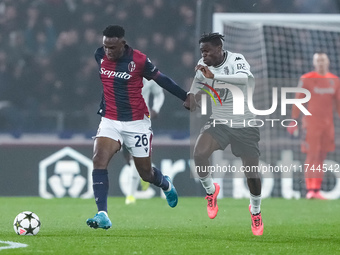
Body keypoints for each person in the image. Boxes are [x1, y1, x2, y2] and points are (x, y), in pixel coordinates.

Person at [86, 25, 192, 230]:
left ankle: (165, 183)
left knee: (145, 173)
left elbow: (162, 80)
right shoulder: (99, 55)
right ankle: (102, 214)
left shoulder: (139, 60)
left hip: (137, 123)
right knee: (99, 160)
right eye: (105, 46)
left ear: (123, 44)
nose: (108, 51)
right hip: (110, 120)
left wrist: (185, 96)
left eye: (113, 47)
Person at [183, 32, 264, 236]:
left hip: (245, 123)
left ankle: (255, 211)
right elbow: (195, 91)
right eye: (202, 51)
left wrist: (214, 77)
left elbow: (243, 80)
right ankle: (211, 191)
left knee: (252, 175)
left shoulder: (237, 59)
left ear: (219, 49)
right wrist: (191, 99)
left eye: (207, 51)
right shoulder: (203, 67)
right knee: (199, 154)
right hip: (220, 122)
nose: (204, 55)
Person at [288, 52, 340, 200]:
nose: (321, 63)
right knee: (312, 156)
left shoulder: (335, 81)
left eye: (323, 60)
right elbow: (298, 100)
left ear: (328, 62)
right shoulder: (307, 79)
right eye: (318, 60)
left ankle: (316, 189)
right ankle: (310, 189)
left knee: (322, 156)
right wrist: (294, 119)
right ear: (314, 63)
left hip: (328, 125)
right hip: (311, 125)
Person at [124, 78, 165, 205]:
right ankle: (147, 170)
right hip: (118, 119)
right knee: (127, 159)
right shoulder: (117, 69)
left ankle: (130, 195)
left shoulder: (148, 74)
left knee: (135, 157)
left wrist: (156, 109)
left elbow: (159, 94)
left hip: (140, 121)